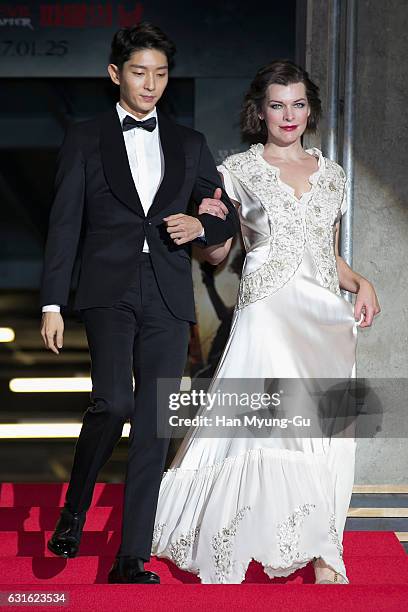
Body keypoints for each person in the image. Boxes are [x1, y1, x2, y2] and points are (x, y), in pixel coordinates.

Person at [151, 60, 381, 584]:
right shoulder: (238, 171)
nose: (289, 115)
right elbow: (219, 253)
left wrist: (361, 283)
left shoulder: (333, 175)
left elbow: (326, 255)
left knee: (328, 429)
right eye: (277, 105)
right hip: (268, 312)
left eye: (298, 104)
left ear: (310, 110)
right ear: (260, 111)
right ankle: (257, 539)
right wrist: (202, 230)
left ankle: (327, 548)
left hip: (325, 316)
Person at [39, 23, 239, 584]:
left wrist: (200, 221)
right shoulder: (84, 136)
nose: (150, 83)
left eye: (160, 73)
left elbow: (221, 211)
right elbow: (63, 225)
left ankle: (131, 557)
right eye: (138, 72)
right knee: (114, 403)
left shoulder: (190, 142)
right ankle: (75, 507)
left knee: (153, 421)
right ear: (114, 74)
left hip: (169, 291)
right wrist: (53, 302)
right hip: (107, 289)